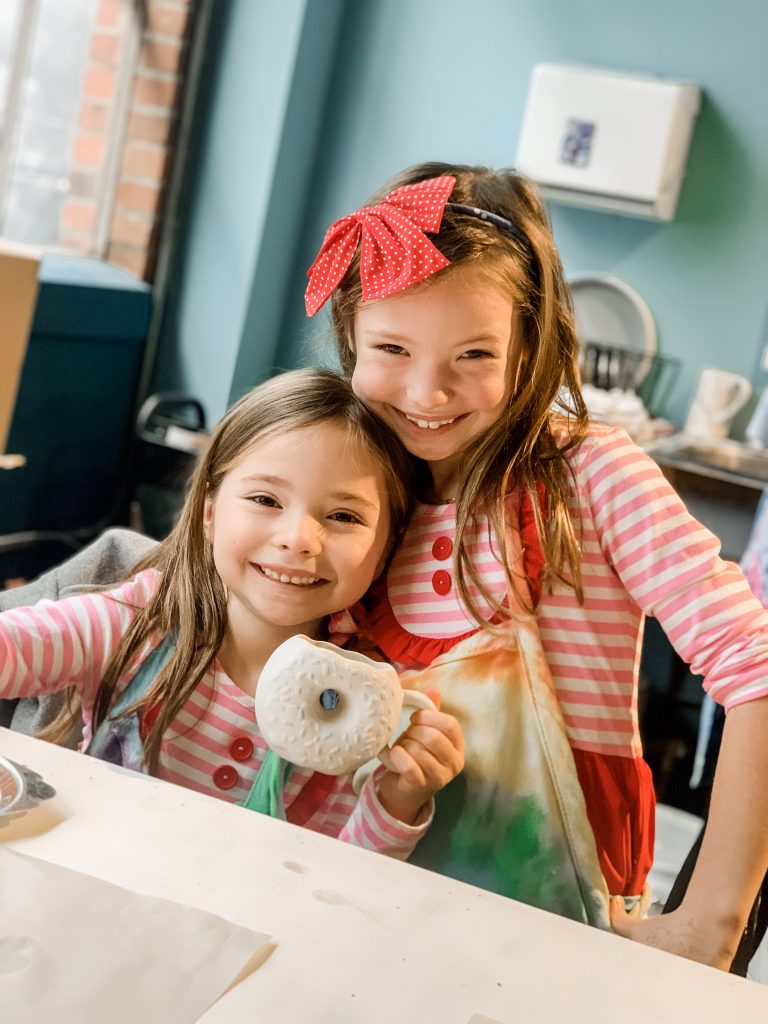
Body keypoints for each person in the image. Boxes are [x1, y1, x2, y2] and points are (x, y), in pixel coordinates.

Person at [302, 163, 768, 969]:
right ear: (349, 339)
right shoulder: (350, 481)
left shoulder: (588, 476)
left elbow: (758, 668)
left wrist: (712, 923)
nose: (426, 391)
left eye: (473, 354)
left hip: (559, 940)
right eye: (391, 348)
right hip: (366, 910)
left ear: (529, 350)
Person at [0, 368, 465, 859]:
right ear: (209, 512)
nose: (298, 539)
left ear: (384, 548)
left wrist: (398, 801)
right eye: (265, 499)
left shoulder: (369, 707)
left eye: (344, 516)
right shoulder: (137, 621)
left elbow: (341, 882)